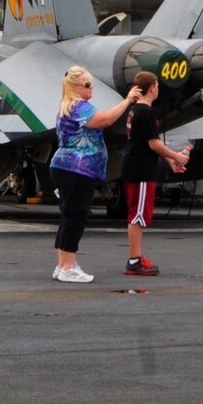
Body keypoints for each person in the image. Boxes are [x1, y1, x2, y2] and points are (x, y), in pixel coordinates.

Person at [49, 65, 139, 283]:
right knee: (76, 216)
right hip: (77, 169)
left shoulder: (67, 107)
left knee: (68, 215)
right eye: (88, 85)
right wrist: (127, 101)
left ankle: (63, 263)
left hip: (65, 167)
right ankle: (69, 266)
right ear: (76, 87)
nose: (91, 89)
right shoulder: (79, 107)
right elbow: (105, 120)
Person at [119, 69, 190, 276]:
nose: (158, 90)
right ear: (152, 87)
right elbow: (153, 144)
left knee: (137, 214)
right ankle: (134, 260)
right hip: (141, 170)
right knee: (138, 215)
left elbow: (149, 143)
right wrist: (177, 157)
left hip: (134, 166)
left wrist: (170, 161)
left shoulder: (135, 110)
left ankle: (137, 257)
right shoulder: (146, 112)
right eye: (157, 86)